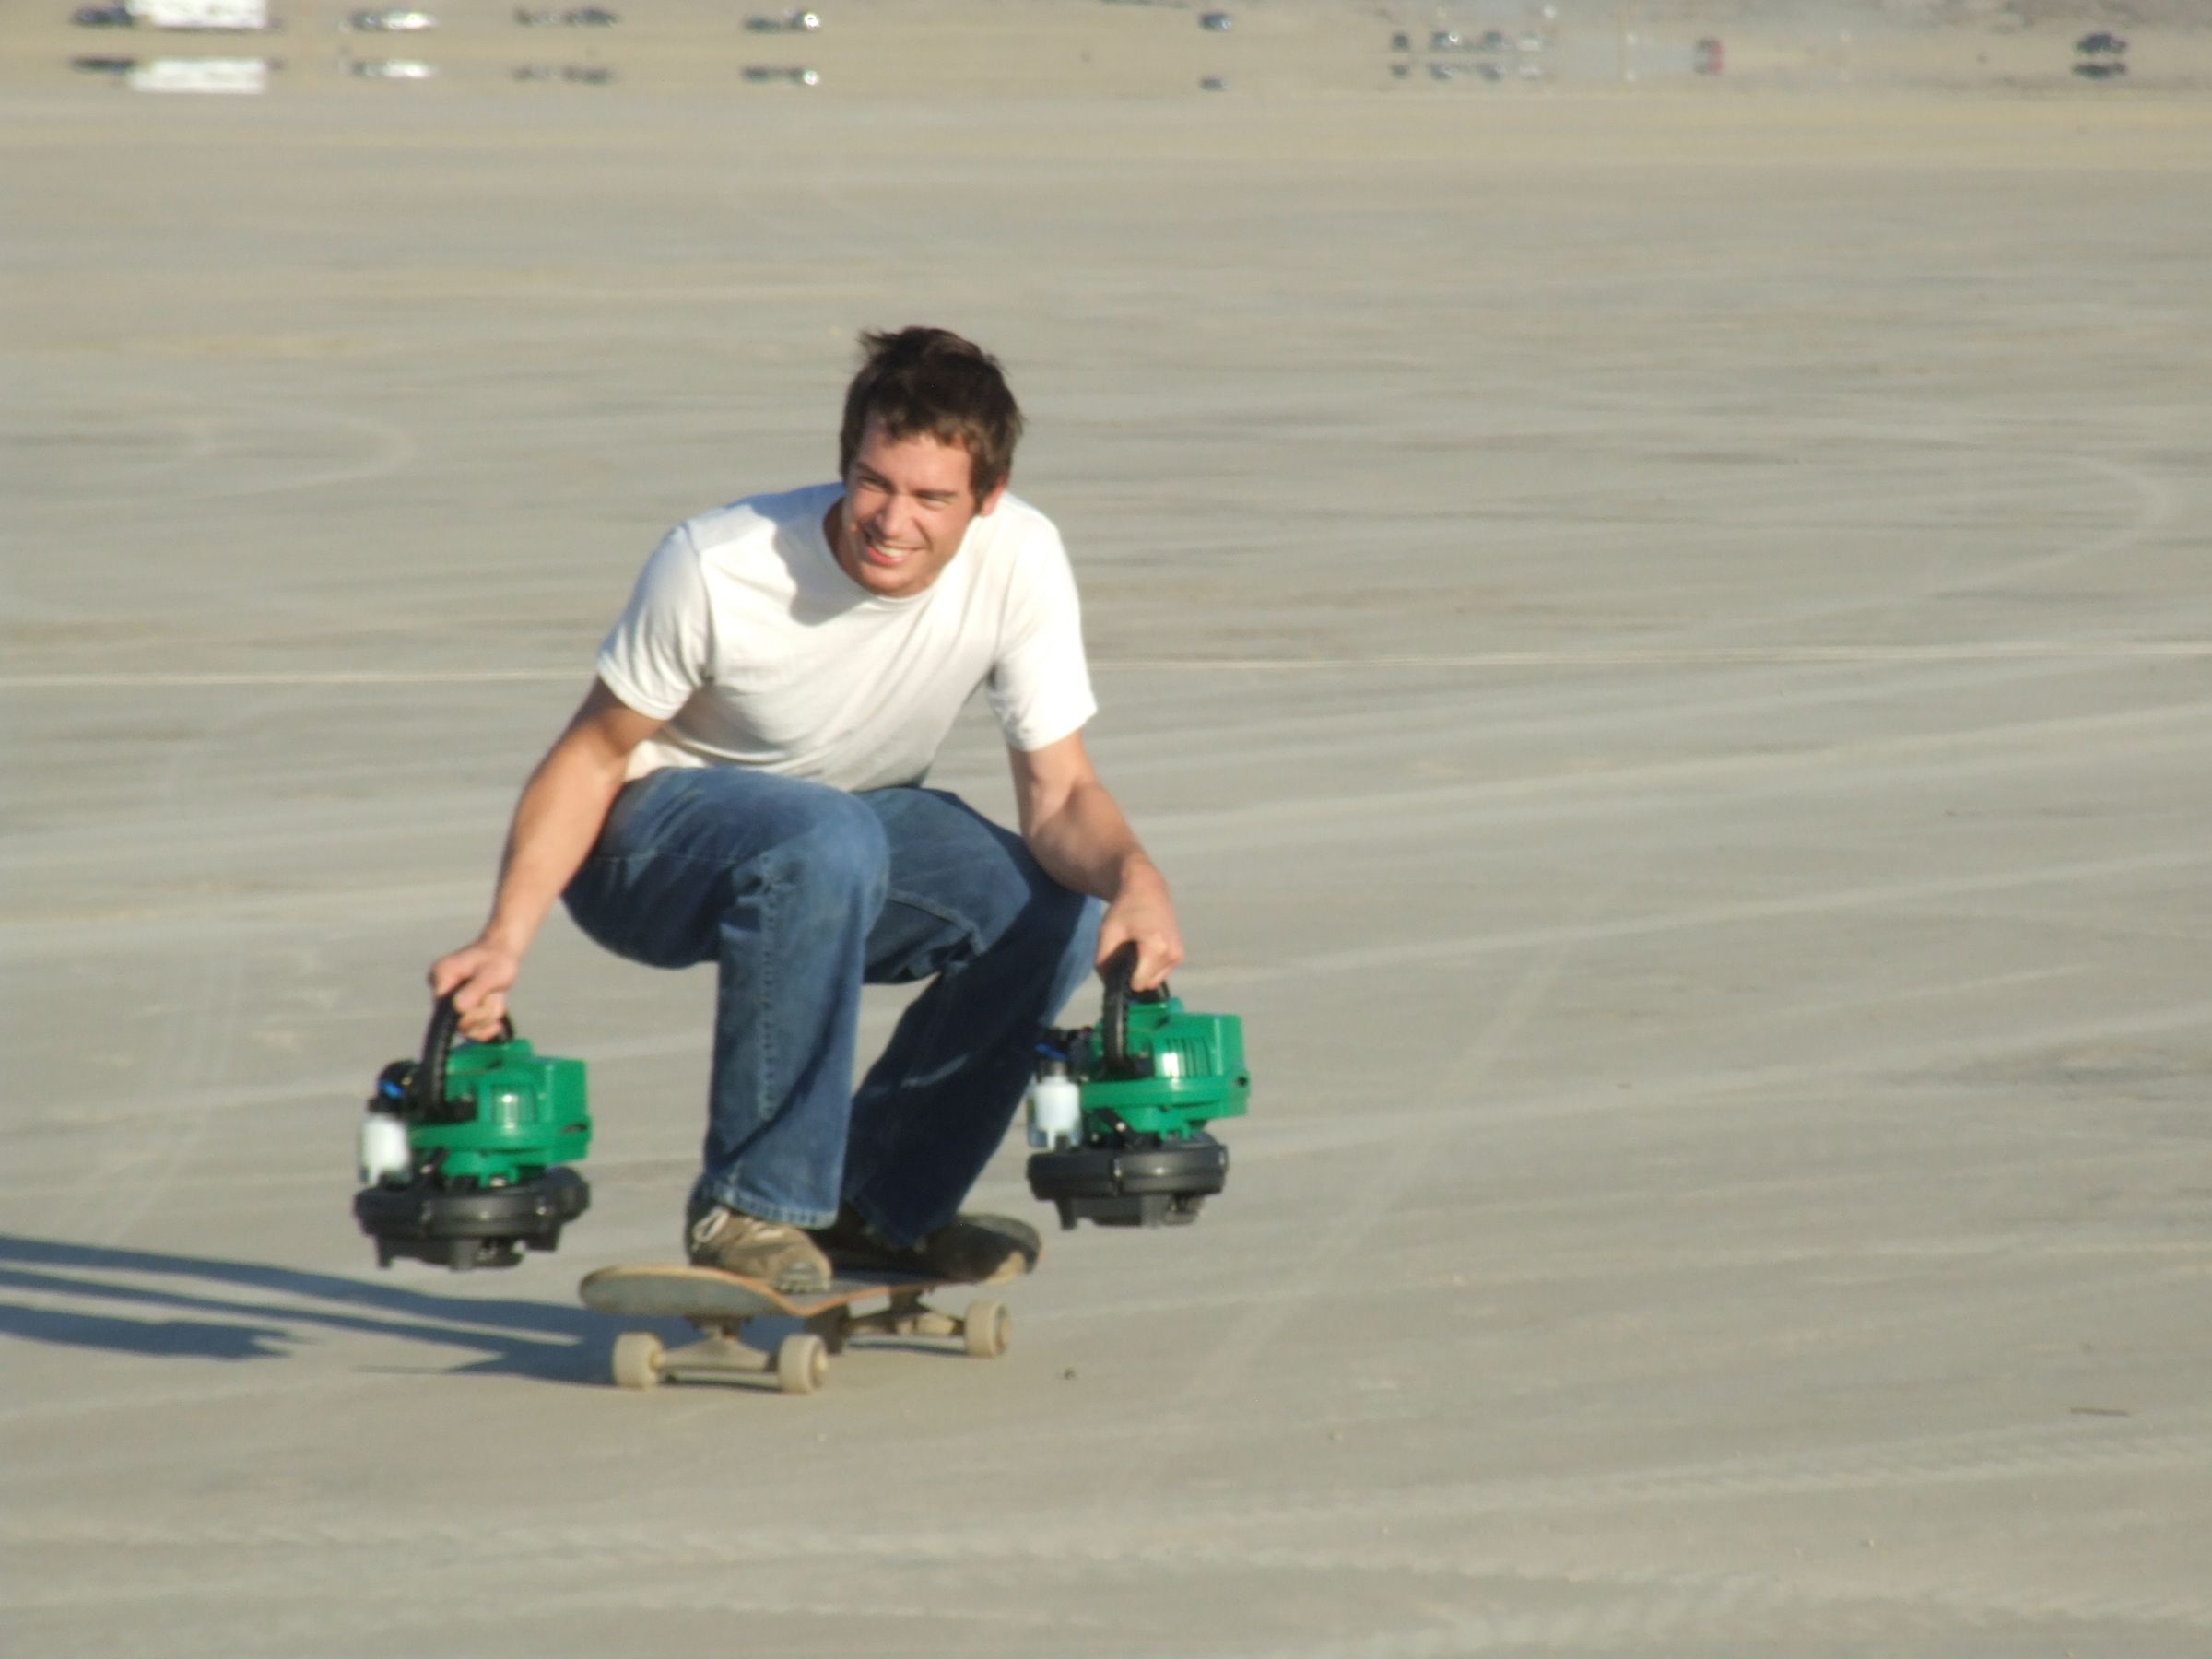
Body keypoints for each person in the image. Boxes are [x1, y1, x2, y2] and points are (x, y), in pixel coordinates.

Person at [429, 326, 1182, 1294]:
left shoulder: (1022, 557)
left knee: (1054, 906)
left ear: (986, 500)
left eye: (931, 497)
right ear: (845, 464)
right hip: (646, 848)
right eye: (873, 483)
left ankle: (884, 1206)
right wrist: (504, 938)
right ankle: (753, 1204)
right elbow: (591, 755)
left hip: (847, 834)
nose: (892, 520)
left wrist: (1138, 879)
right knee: (823, 835)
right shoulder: (719, 563)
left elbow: (1064, 793)